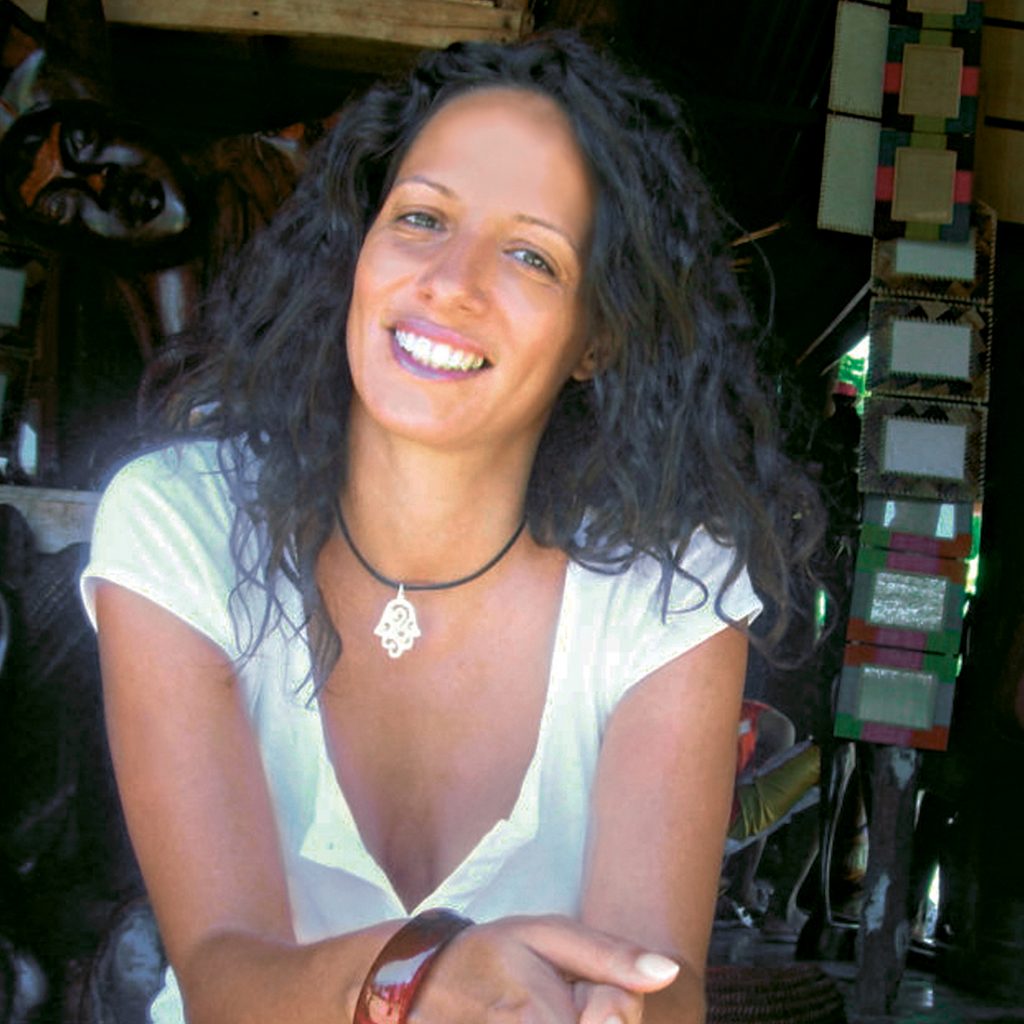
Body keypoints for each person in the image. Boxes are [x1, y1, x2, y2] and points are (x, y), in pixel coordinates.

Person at [79, 31, 823, 1024]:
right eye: (422, 217)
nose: (451, 281)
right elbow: (223, 973)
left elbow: (655, 979)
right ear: (358, 251)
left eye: (531, 254)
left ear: (597, 336)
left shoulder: (667, 587)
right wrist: (419, 978)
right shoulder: (184, 525)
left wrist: (613, 1009)